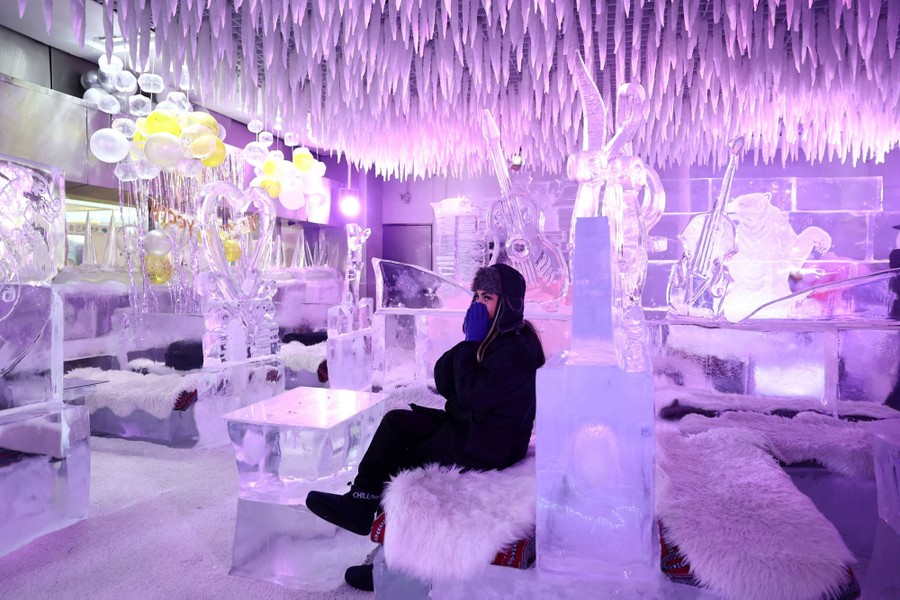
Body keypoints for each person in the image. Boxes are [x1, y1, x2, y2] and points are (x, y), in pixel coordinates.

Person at [305, 263, 545, 590]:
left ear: (509, 303)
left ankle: (396, 568)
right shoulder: (494, 337)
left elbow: (472, 396)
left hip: (488, 446)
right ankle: (360, 503)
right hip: (469, 428)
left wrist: (472, 345)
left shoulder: (517, 349)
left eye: (486, 297)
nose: (477, 303)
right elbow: (447, 382)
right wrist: (467, 342)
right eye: (475, 295)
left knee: (406, 463)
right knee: (396, 422)